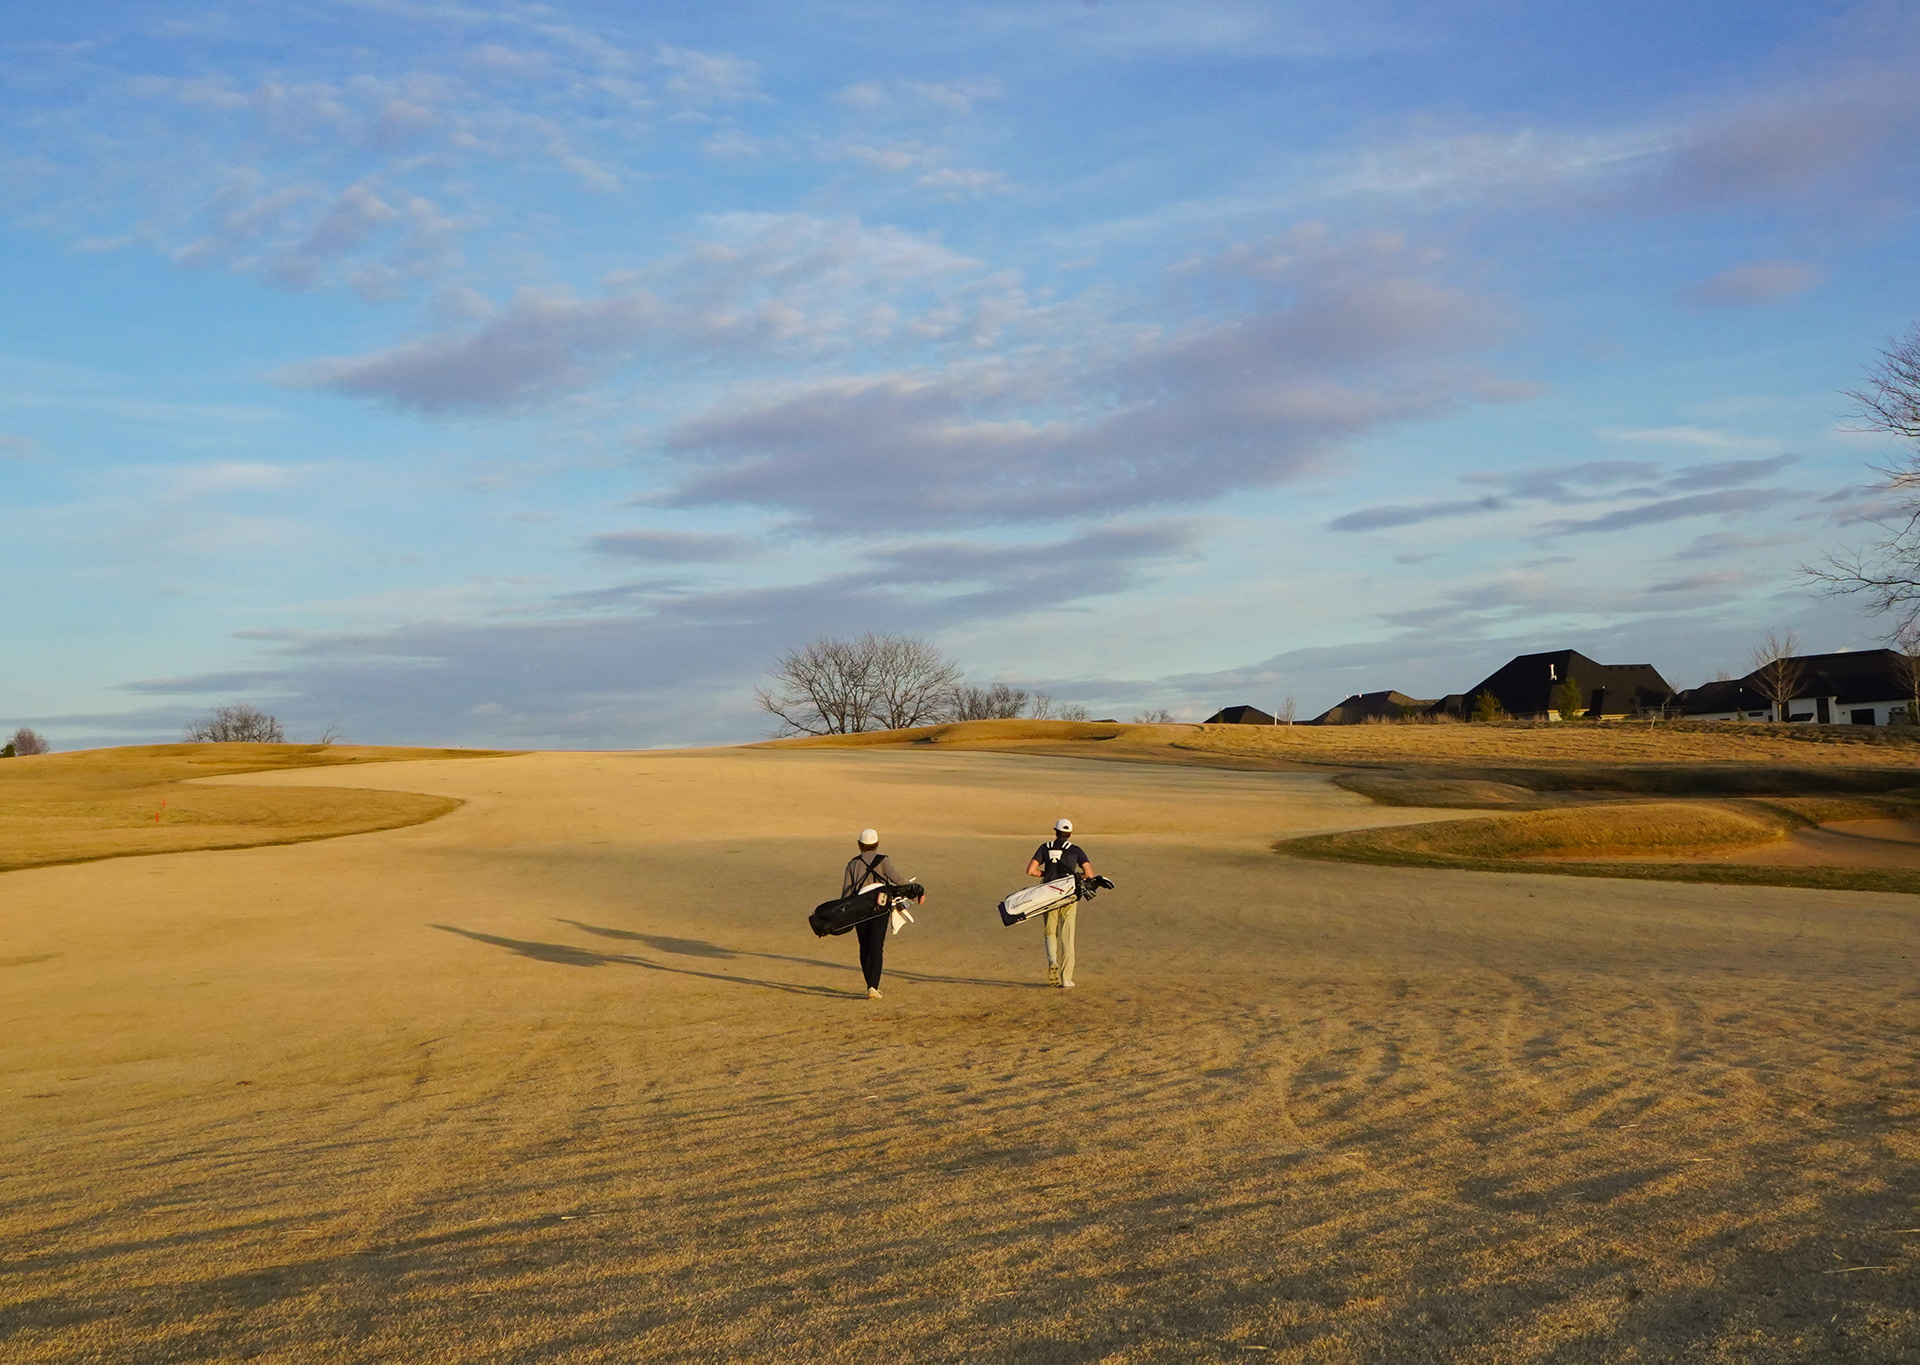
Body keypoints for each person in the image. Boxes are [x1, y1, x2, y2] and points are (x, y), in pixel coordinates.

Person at [843, 828, 916, 999]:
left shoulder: (852, 864)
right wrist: (916, 890)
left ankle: (870, 983)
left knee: (864, 946)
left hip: (859, 910)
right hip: (879, 909)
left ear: (859, 844)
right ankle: (873, 986)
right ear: (877, 844)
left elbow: (846, 894)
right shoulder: (883, 861)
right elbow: (899, 880)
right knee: (876, 946)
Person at [1026, 818, 1095, 989]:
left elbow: (1030, 870)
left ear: (1055, 831)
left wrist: (1046, 873)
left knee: (1050, 932)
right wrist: (1075, 877)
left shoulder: (1045, 847)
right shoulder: (1076, 850)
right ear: (1069, 834)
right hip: (1068, 895)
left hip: (1048, 894)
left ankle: (1052, 961)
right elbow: (1089, 874)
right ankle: (1066, 979)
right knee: (1067, 937)